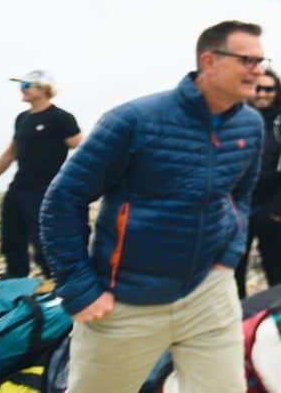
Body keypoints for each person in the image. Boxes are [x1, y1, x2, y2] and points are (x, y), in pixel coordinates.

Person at [39, 21, 266, 393]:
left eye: (261, 60)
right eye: (247, 60)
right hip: (124, 301)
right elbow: (64, 199)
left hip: (208, 292)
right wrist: (79, 288)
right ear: (209, 61)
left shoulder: (249, 125)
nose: (259, 69)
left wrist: (231, 252)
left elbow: (240, 194)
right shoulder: (132, 121)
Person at [0, 70, 82, 278]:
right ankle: (16, 283)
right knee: (11, 239)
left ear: (42, 89)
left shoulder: (61, 118)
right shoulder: (22, 119)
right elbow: (9, 154)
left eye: (25, 86)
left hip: (45, 190)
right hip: (18, 189)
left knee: (42, 240)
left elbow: (83, 148)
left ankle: (57, 283)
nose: (21, 90)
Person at [235, 68, 281, 298]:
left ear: (277, 91)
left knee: (275, 269)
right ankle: (241, 322)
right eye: (257, 88)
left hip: (271, 209)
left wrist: (276, 209)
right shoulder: (237, 119)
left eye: (268, 89)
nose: (262, 94)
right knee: (234, 269)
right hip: (239, 209)